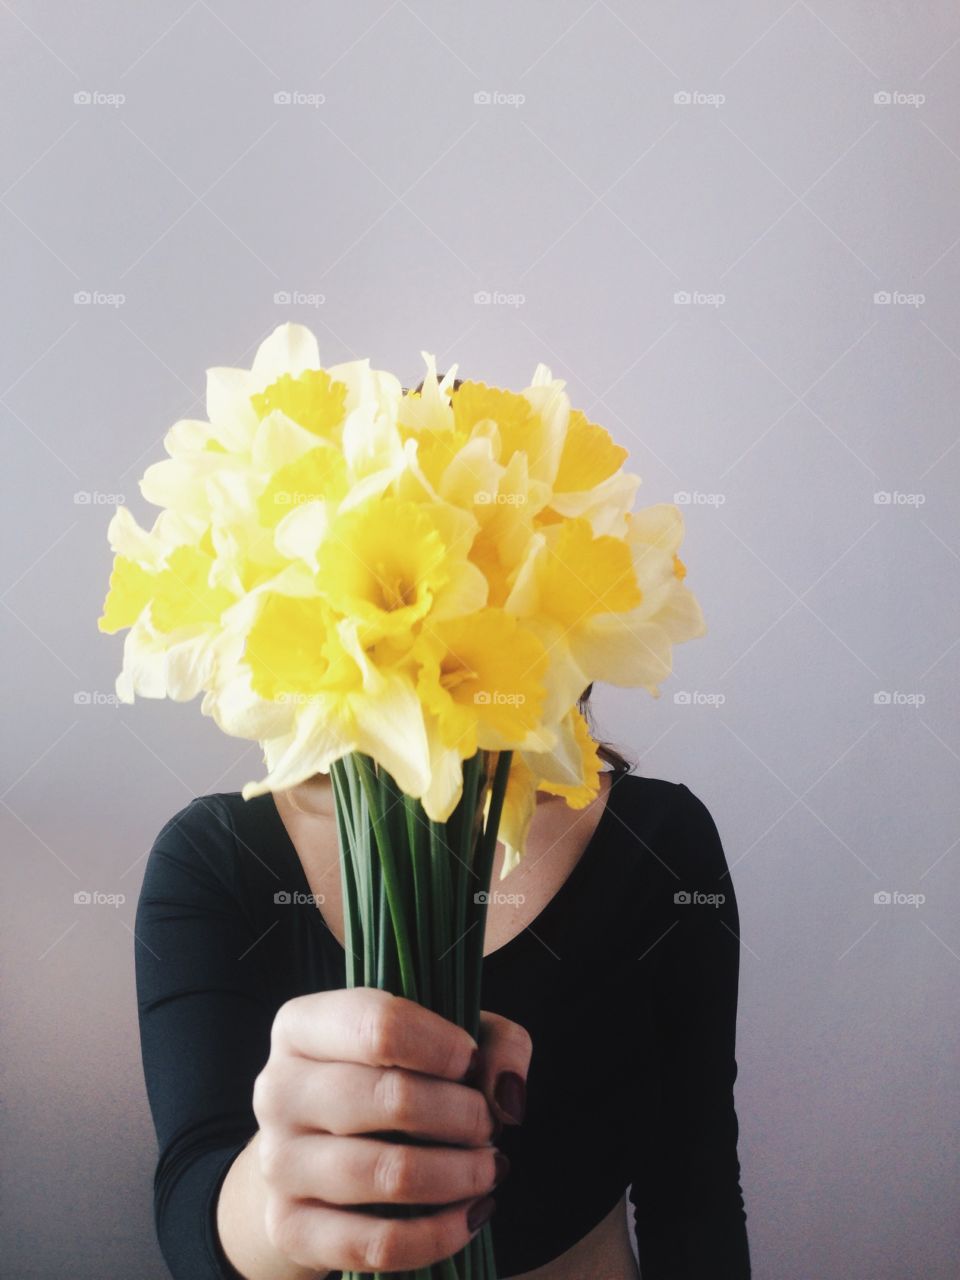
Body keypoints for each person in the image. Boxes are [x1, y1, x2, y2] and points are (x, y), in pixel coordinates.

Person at [135, 685, 751, 1278]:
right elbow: (191, 1203)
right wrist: (274, 1200)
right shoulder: (214, 856)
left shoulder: (662, 840)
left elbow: (694, 1192)